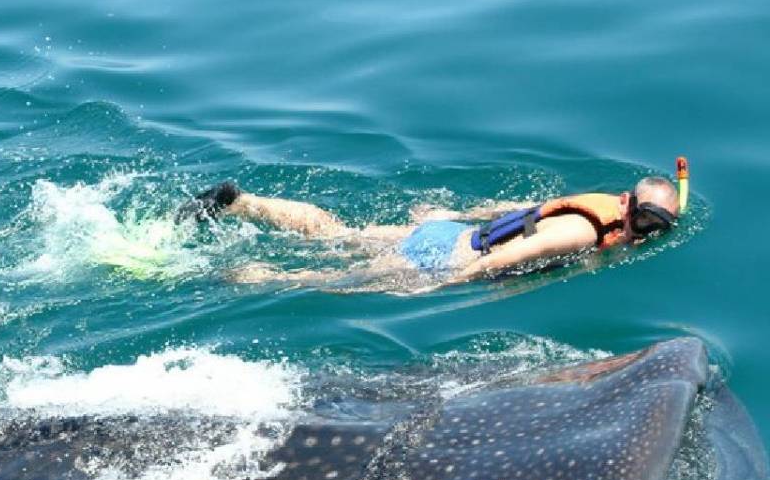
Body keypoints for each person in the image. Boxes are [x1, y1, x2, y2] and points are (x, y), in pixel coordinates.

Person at [176, 176, 681, 288]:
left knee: (338, 233)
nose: (649, 232)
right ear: (628, 206)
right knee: (343, 280)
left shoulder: (600, 203)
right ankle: (257, 277)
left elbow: (518, 209)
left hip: (448, 232)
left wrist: (453, 215)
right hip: (448, 258)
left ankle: (243, 204)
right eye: (646, 221)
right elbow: (515, 256)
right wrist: (448, 284)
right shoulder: (582, 232)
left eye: (659, 227)